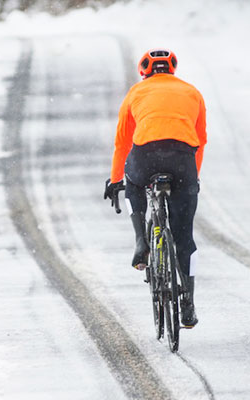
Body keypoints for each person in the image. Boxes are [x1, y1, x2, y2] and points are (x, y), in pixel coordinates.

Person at [103, 48, 207, 328]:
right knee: (184, 237)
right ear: (172, 70)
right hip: (182, 159)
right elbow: (200, 140)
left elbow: (123, 143)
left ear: (145, 72)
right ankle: (187, 303)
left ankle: (141, 240)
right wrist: (191, 178)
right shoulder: (192, 92)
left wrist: (116, 181)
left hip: (145, 156)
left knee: (133, 182)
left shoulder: (136, 93)